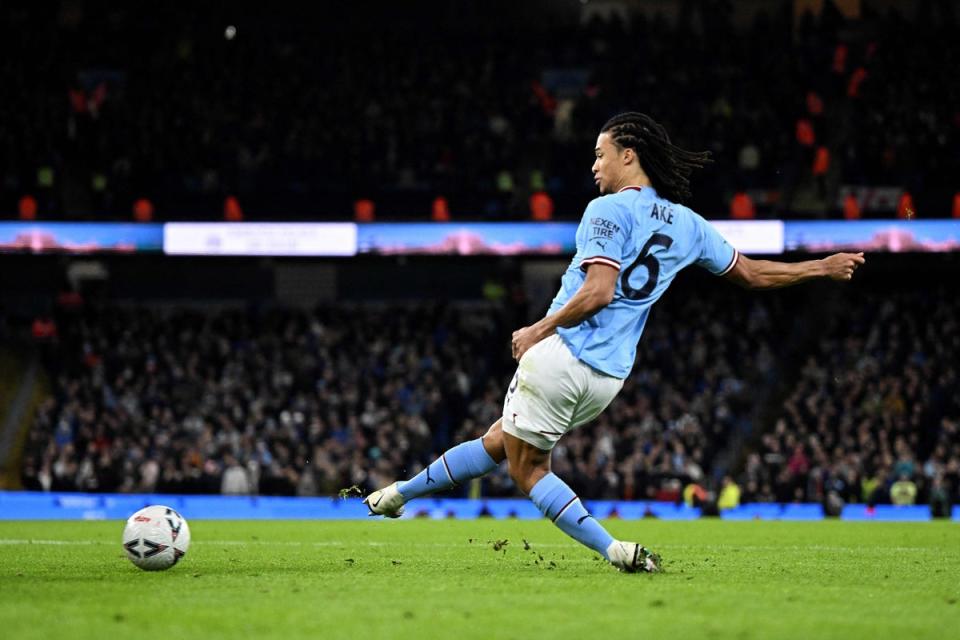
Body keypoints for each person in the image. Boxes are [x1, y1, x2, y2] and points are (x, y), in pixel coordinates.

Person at [364, 112, 866, 573]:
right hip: (608, 379)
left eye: (600, 154)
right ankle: (399, 494)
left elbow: (600, 290)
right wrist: (821, 266)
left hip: (562, 354)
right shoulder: (689, 224)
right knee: (502, 440)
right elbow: (753, 274)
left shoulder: (606, 210)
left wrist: (540, 328)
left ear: (630, 155)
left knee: (528, 468)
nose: (594, 165)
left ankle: (614, 550)